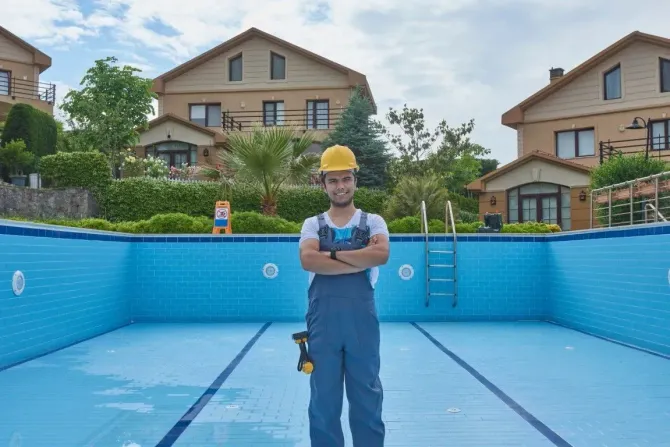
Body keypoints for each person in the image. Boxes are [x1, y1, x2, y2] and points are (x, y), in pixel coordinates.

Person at [298, 144, 389, 447]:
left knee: (367, 396)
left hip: (362, 326)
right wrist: (356, 257)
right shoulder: (312, 224)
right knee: (323, 400)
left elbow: (381, 254)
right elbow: (309, 260)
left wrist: (332, 254)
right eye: (333, 180)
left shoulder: (374, 221)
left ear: (355, 181)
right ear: (323, 183)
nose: (340, 186)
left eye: (346, 179)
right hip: (323, 326)